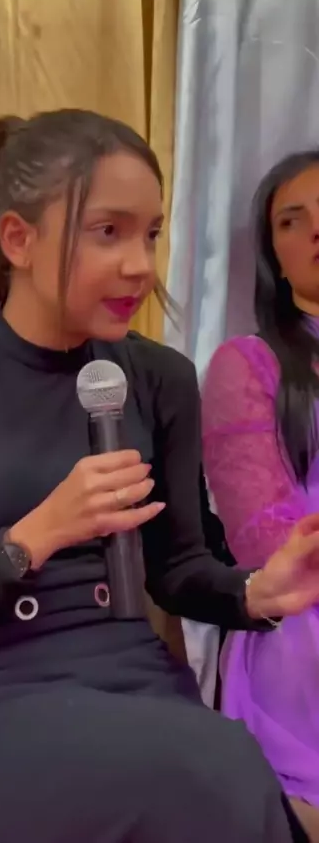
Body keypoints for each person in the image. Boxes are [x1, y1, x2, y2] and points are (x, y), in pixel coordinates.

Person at [0, 111, 319, 843]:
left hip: (140, 685)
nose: (140, 265)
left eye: (151, 234)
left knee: (222, 764)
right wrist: (36, 535)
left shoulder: (162, 379)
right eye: (109, 232)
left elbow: (179, 569)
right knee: (209, 772)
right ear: (19, 239)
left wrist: (258, 592)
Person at [202, 150, 319, 840]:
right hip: (304, 601)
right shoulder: (247, 363)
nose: (316, 231)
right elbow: (260, 537)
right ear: (274, 254)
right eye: (292, 221)